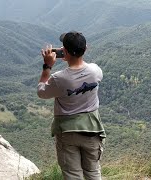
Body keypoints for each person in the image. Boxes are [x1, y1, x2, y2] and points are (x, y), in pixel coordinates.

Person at [37, 31, 106, 180]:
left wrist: (47, 66)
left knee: (73, 175)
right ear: (86, 49)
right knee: (93, 172)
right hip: (92, 130)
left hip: (67, 132)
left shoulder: (59, 78)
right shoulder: (95, 71)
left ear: (64, 52)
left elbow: (41, 92)